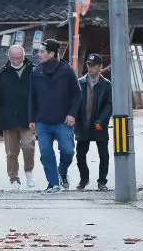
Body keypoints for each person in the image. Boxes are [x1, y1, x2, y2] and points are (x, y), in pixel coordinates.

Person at [29, 39, 81, 194]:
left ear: (52, 53)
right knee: (45, 153)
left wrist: (72, 114)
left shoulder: (66, 71)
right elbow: (32, 97)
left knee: (67, 151)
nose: (39, 54)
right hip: (43, 122)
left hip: (63, 121)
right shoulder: (36, 72)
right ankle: (53, 183)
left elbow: (77, 94)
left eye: (42, 52)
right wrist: (32, 119)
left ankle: (62, 172)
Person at [0, 45, 36, 190]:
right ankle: (14, 178)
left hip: (28, 116)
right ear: (9, 57)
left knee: (28, 145)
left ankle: (28, 171)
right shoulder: (2, 73)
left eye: (18, 57)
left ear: (24, 56)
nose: (16, 60)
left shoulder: (33, 71)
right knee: (11, 152)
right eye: (13, 58)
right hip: (8, 117)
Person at [75, 54, 113, 191]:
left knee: (103, 155)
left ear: (100, 67)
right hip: (82, 123)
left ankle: (102, 181)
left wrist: (101, 121)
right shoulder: (80, 82)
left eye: (93, 65)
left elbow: (109, 105)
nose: (90, 68)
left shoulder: (106, 85)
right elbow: (74, 102)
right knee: (80, 154)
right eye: (88, 65)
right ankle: (84, 179)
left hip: (99, 125)